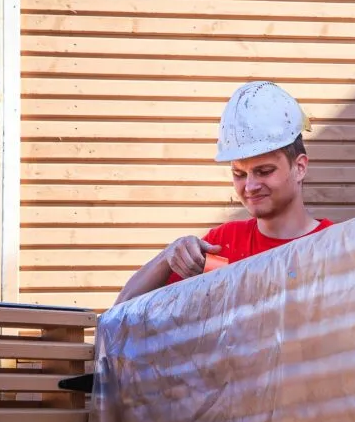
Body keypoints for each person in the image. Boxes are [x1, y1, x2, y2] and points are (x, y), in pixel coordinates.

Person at [114, 81, 334, 305]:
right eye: (239, 174)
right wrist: (167, 258)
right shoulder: (222, 248)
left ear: (300, 168)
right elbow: (123, 309)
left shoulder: (334, 247)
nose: (250, 186)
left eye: (264, 171)